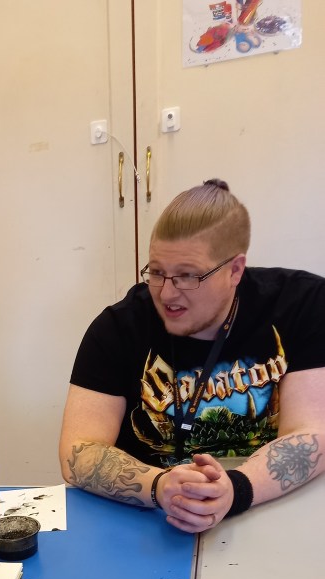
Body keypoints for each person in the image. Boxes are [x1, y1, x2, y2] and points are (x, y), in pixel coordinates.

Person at [59, 179, 325, 533]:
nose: (167, 294)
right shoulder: (118, 327)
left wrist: (235, 489)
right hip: (151, 515)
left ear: (235, 270)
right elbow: (77, 450)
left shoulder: (302, 305)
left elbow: (312, 432)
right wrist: (159, 486)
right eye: (157, 272)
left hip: (266, 504)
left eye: (187, 276)